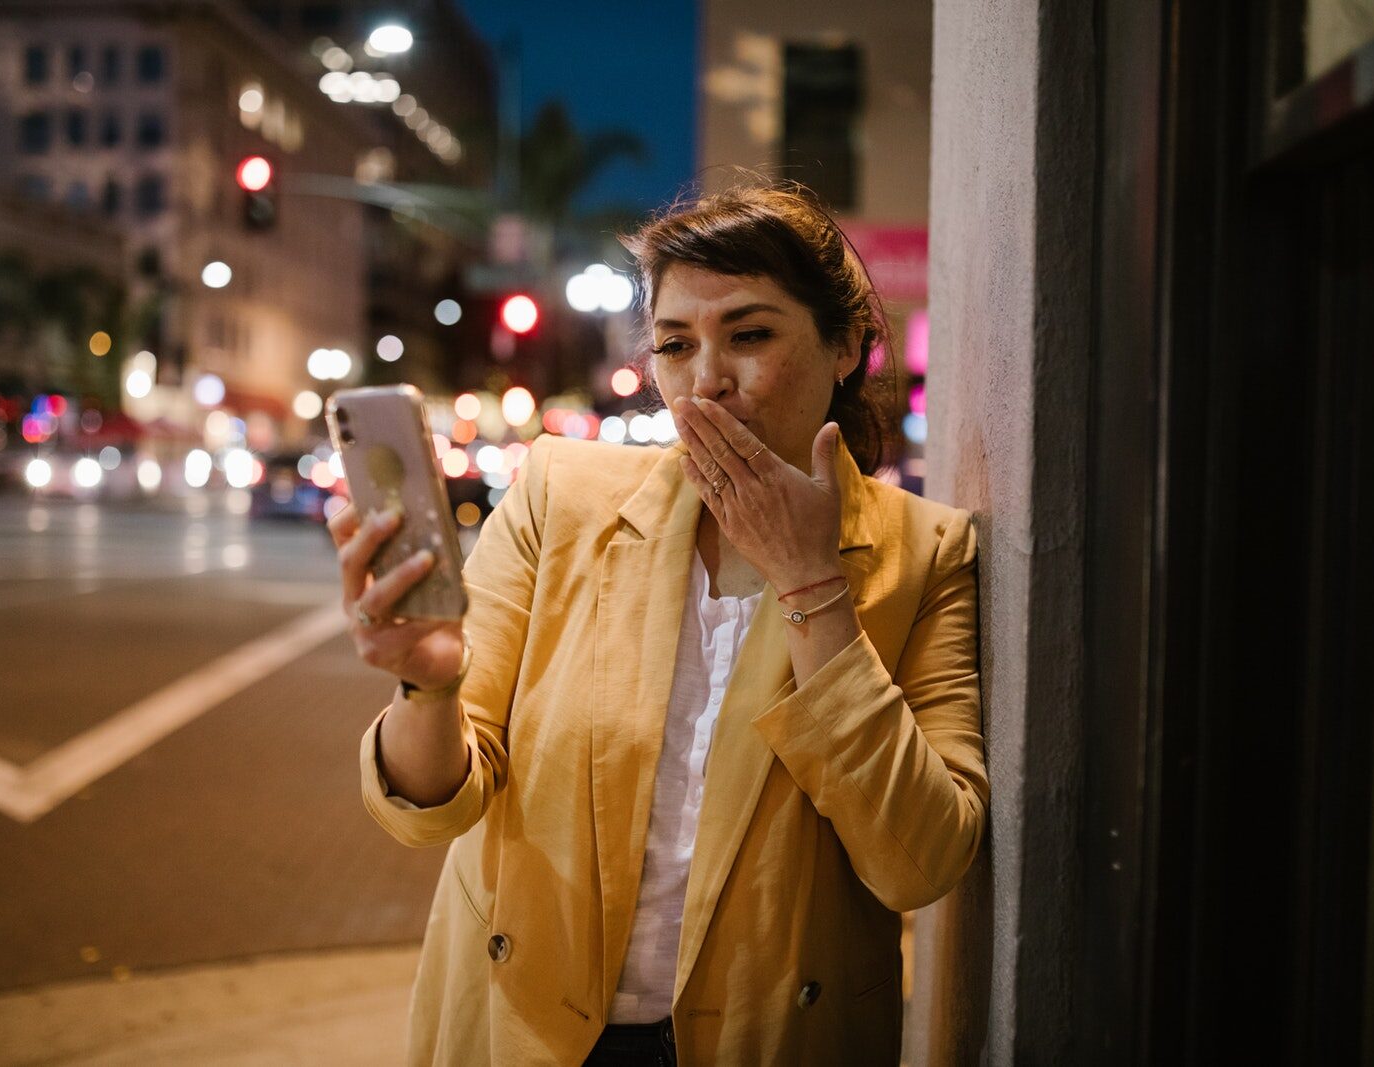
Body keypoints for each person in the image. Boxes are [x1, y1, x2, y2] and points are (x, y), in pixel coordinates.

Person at [327, 184, 989, 1066]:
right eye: (676, 345)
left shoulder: (924, 551)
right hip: (528, 1023)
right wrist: (429, 685)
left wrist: (810, 581)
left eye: (749, 335)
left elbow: (921, 860)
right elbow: (431, 808)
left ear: (846, 347)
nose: (706, 379)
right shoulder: (562, 497)